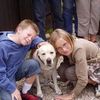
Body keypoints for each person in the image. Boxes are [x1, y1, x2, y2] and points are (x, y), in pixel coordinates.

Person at [0, 19, 47, 100]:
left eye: (31, 38)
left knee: (34, 64)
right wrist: (13, 89)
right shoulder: (3, 47)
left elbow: (36, 39)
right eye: (28, 35)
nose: (29, 39)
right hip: (3, 77)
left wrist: (40, 42)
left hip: (14, 70)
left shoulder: (24, 40)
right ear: (19, 30)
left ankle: (25, 93)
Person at [49, 29, 100, 100]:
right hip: (85, 61)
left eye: (64, 44)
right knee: (61, 69)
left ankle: (94, 82)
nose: (64, 49)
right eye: (59, 48)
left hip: (96, 65)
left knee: (69, 72)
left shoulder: (78, 49)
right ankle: (82, 81)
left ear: (69, 39)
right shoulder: (68, 47)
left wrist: (72, 95)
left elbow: (83, 79)